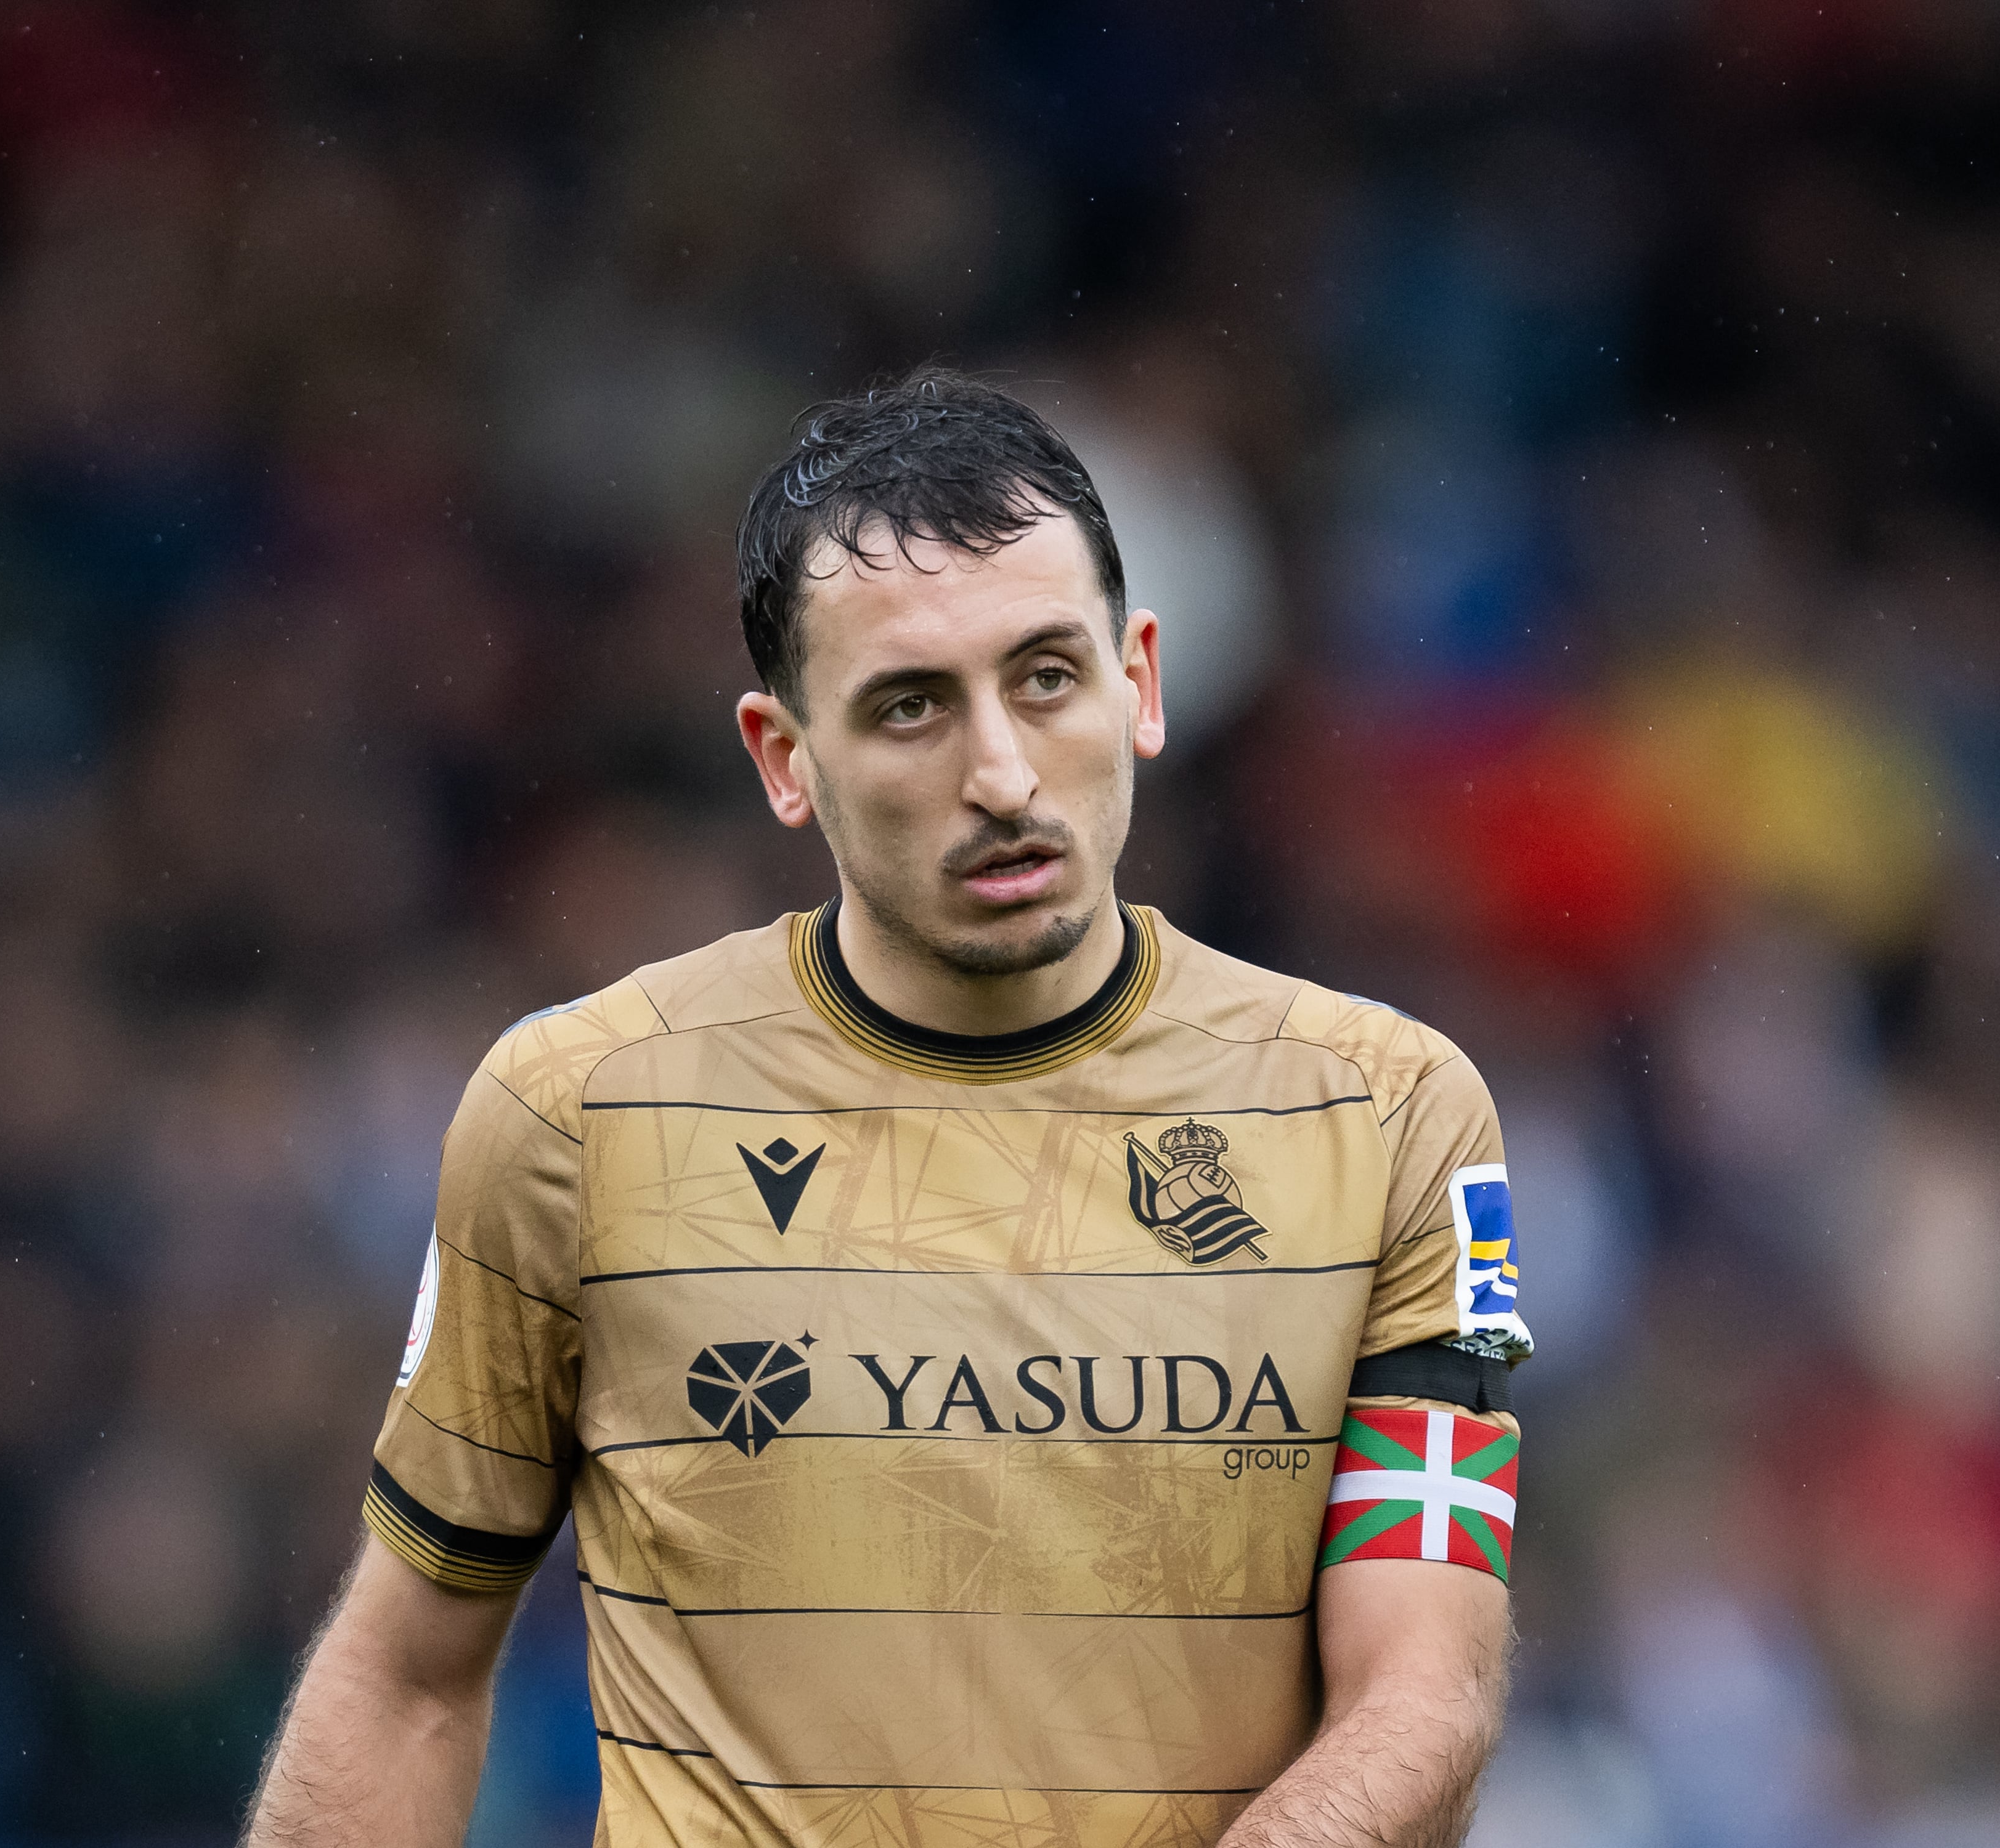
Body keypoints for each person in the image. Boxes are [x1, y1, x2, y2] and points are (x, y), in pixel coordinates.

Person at [242, 368, 1533, 1848]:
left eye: (1047, 676)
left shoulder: (1391, 1117)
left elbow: (1424, 1693)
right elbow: (408, 1680)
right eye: (912, 706)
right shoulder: (577, 1114)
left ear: (1142, 683)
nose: (999, 773)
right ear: (784, 760)